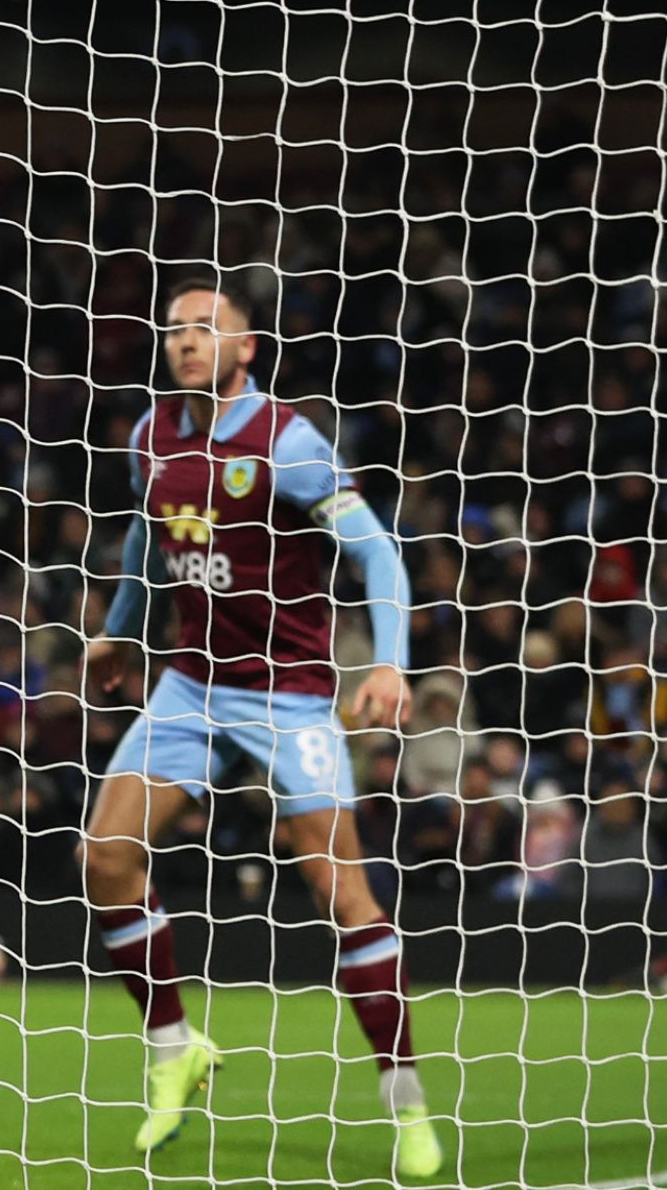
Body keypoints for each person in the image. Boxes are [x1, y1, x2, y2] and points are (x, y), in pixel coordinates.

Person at [78, 278, 439, 1174]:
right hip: (191, 688)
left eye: (207, 331)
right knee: (104, 856)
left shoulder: (290, 442)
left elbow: (378, 552)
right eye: (175, 332)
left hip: (291, 696)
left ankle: (409, 1106)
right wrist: (122, 626)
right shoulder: (150, 436)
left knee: (343, 894)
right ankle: (174, 1050)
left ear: (245, 350)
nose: (187, 343)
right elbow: (142, 530)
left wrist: (389, 661)